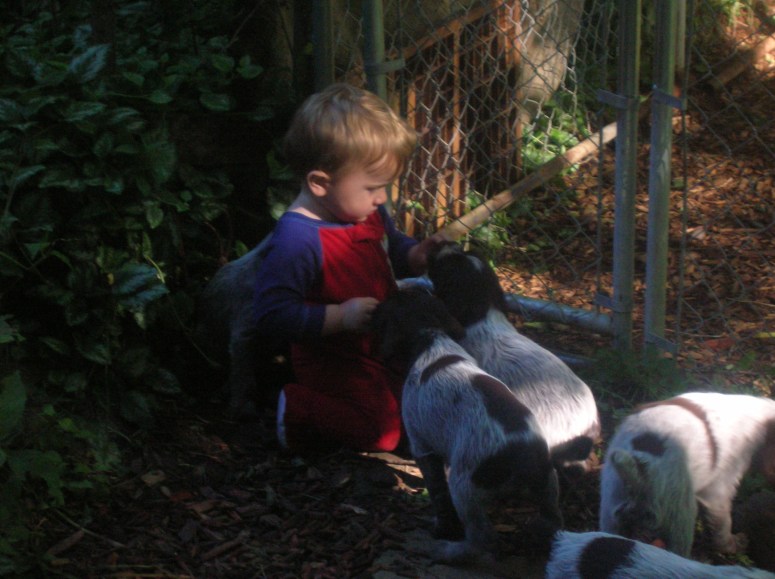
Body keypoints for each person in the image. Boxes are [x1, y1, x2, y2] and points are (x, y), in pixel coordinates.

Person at [253, 83, 445, 453]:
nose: (382, 198)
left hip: (379, 343)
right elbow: (272, 315)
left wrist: (414, 255)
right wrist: (339, 317)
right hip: (334, 360)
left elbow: (389, 246)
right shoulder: (298, 239)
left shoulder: (359, 209)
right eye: (374, 187)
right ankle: (294, 408)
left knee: (427, 399)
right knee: (382, 433)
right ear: (320, 183)